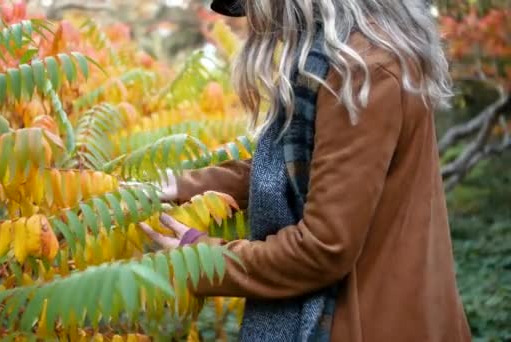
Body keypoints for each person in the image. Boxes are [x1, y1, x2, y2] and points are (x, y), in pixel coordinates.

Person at [139, 0, 472, 341]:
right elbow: (297, 167)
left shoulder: (360, 69)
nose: (256, 19)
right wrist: (180, 187)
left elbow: (324, 248)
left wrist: (199, 259)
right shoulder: (354, 54)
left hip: (360, 320)